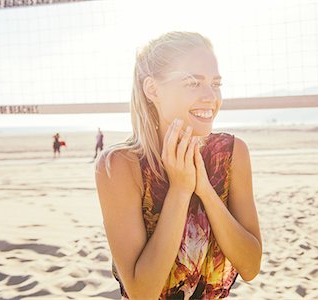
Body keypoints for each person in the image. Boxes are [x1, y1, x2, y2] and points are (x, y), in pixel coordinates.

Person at [95, 31, 262, 299]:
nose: (210, 96)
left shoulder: (232, 154)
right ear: (152, 90)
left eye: (215, 84)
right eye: (193, 83)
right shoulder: (119, 166)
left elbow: (251, 267)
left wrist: (205, 190)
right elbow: (142, 292)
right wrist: (181, 190)